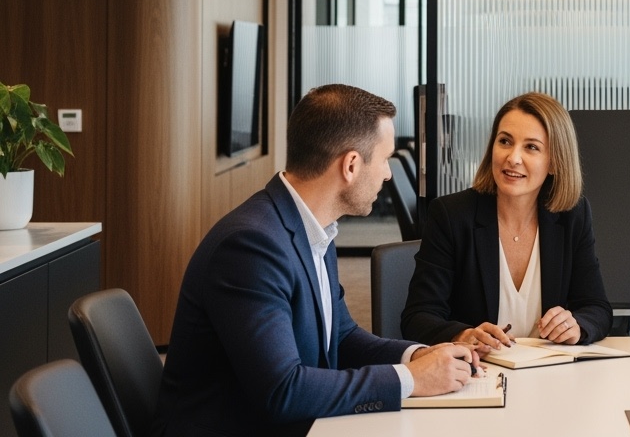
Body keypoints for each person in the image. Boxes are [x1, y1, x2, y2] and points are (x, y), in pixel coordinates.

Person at [154, 84, 479, 437]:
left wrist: (417, 356)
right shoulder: (251, 246)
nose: (388, 174)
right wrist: (408, 380)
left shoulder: (310, 226)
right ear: (351, 165)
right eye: (385, 159)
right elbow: (283, 389)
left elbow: (340, 336)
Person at [401, 91, 613, 350]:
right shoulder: (451, 214)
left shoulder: (572, 215)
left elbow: (597, 308)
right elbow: (417, 317)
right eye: (505, 141)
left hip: (549, 371)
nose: (513, 157)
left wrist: (576, 325)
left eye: (531, 147)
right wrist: (462, 334)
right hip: (476, 372)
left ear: (555, 162)